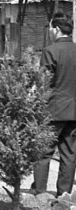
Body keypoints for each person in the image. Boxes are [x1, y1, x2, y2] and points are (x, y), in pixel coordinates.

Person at [33, 15, 76, 196]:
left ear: (56, 29)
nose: (49, 32)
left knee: (43, 152)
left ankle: (41, 193)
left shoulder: (50, 51)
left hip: (53, 110)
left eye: (50, 28)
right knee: (69, 154)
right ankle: (64, 196)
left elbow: (44, 82)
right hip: (74, 111)